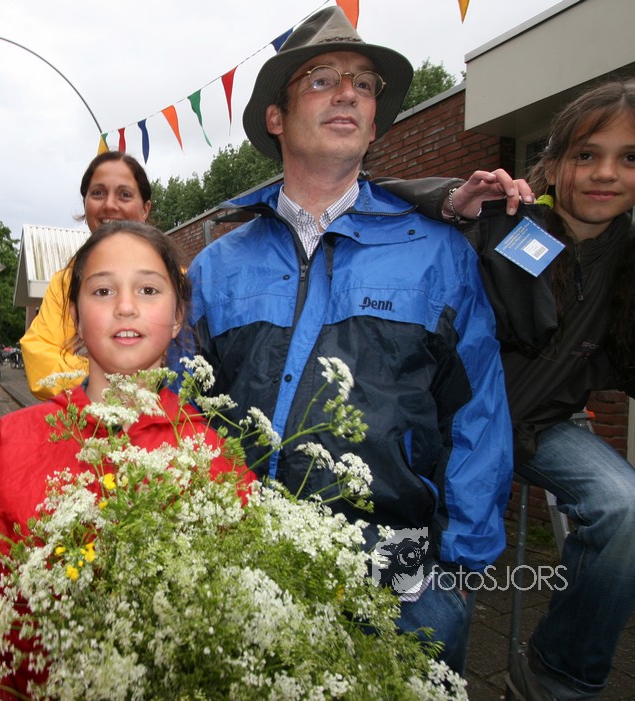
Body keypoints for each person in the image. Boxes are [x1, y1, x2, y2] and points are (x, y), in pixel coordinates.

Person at [185, 7, 511, 674]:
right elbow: (185, 415)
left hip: (402, 581)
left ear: (374, 120)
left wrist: (461, 567)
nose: (347, 93)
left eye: (363, 84)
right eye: (321, 79)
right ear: (275, 117)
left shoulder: (439, 252)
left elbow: (477, 409)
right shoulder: (218, 265)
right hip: (246, 563)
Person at [395, 78, 635, 700]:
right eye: (586, 154)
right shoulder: (505, 224)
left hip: (541, 428)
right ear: (553, 162)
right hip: (455, 426)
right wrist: (453, 199)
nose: (605, 173)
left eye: (631, 157)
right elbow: (381, 198)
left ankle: (556, 678)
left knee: (631, 510)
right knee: (439, 586)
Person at [0, 221, 245, 699]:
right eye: (103, 290)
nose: (125, 306)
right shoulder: (9, 442)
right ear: (74, 314)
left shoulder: (215, 457)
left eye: (148, 289)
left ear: (178, 316)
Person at [20, 151, 153, 400]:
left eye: (125, 194)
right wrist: (106, 381)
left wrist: (82, 367)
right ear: (85, 204)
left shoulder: (176, 281)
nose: (109, 205)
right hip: (81, 418)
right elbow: (39, 358)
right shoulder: (64, 284)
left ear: (145, 209)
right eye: (98, 193)